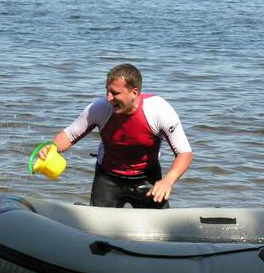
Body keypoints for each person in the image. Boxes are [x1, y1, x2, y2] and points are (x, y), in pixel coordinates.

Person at [40, 63, 192, 208]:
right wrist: (51, 147)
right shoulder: (99, 108)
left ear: (134, 92)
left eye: (115, 93)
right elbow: (69, 135)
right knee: (99, 225)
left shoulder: (159, 110)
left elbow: (184, 153)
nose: (108, 98)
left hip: (147, 177)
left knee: (159, 224)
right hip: (108, 178)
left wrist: (168, 181)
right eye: (107, 91)